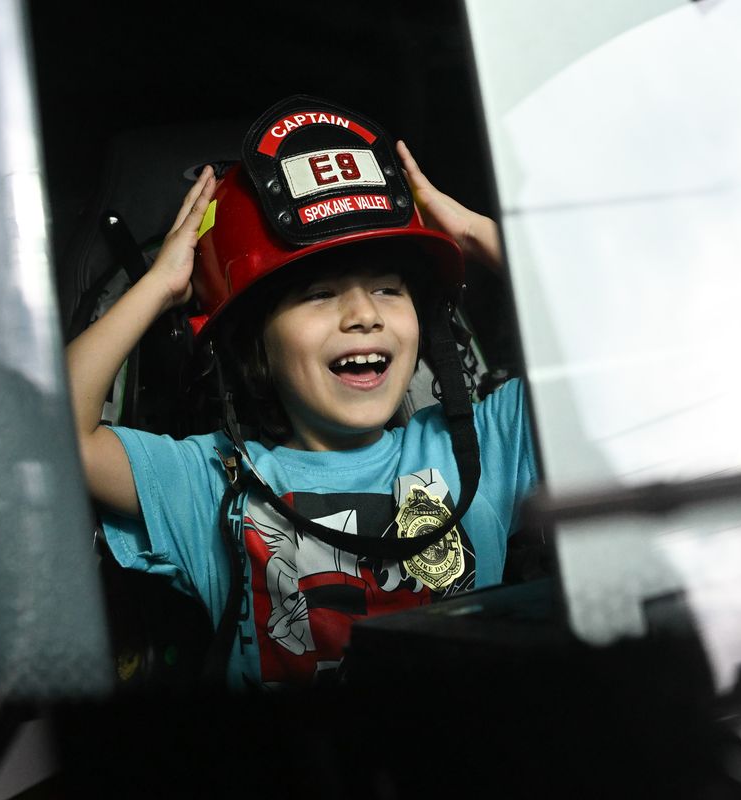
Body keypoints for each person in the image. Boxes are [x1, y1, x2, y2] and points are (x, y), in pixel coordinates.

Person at [66, 96, 537, 689]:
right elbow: (57, 433)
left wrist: (470, 230)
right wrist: (161, 285)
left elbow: (628, 355)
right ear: (255, 345)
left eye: (389, 289)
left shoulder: (481, 451)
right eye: (319, 294)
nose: (363, 314)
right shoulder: (214, 483)